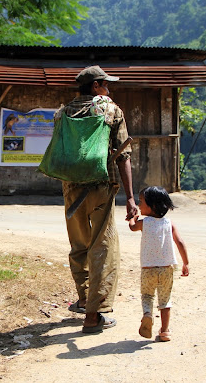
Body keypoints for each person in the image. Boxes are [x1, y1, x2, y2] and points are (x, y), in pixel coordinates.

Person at [61, 65, 139, 334]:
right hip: (101, 187)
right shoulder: (110, 109)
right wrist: (130, 197)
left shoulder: (64, 112)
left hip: (71, 188)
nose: (109, 89)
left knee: (79, 245)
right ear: (96, 86)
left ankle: (84, 300)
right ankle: (95, 314)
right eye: (106, 84)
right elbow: (123, 155)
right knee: (103, 246)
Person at [128, 186, 189, 341]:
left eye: (141, 202)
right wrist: (185, 263)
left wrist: (133, 217)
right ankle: (165, 331)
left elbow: (132, 227)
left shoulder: (144, 222)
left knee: (147, 295)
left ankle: (148, 314)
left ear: (152, 206)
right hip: (167, 269)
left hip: (148, 268)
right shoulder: (169, 223)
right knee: (165, 300)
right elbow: (180, 242)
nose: (139, 205)